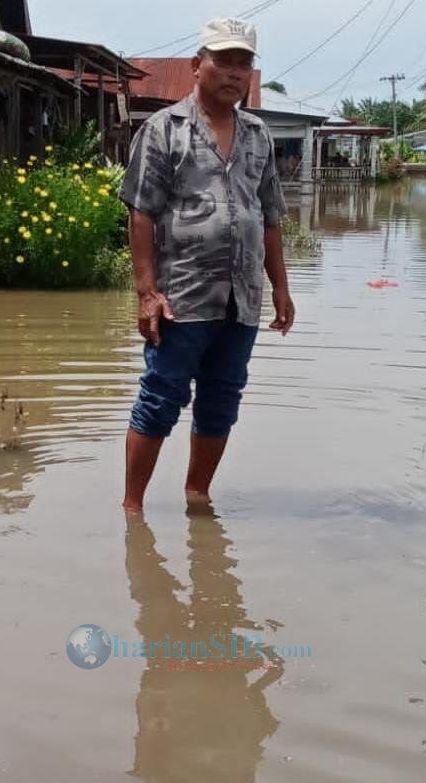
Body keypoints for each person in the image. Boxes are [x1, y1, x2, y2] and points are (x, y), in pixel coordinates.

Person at [119, 17, 295, 511]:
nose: (234, 73)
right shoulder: (163, 129)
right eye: (224, 61)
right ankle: (132, 509)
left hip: (241, 299)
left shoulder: (259, 135)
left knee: (222, 401)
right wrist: (147, 292)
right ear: (198, 66)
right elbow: (141, 212)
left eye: (244, 64)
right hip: (182, 298)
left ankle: (198, 497)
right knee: (160, 397)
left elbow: (271, 217)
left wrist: (280, 287)